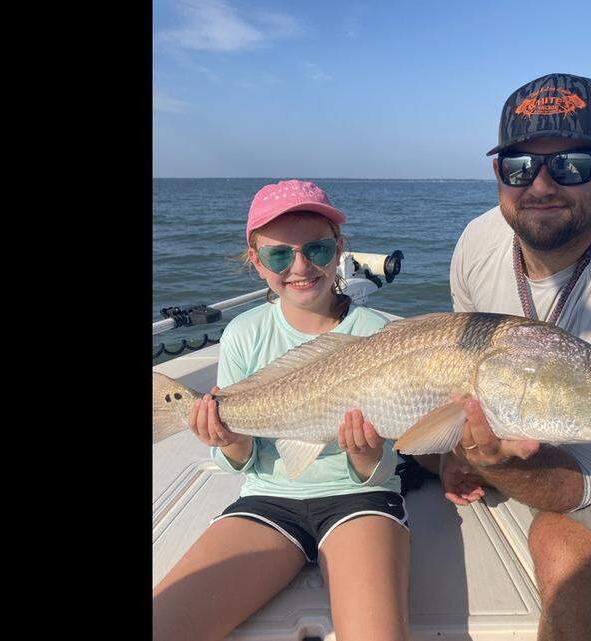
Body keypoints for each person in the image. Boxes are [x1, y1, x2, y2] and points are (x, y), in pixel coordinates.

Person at [152, 180, 409, 641]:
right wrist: (228, 439)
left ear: (339, 250)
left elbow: (391, 453)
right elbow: (240, 462)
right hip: (267, 500)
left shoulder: (383, 335)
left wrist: (366, 455)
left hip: (361, 501)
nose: (300, 266)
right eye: (278, 256)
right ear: (256, 262)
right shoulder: (243, 334)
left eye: (317, 249)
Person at [434, 73, 591, 641]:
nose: (540, 185)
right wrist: (459, 451)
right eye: (518, 167)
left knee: (561, 556)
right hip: (522, 411)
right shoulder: (477, 240)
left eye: (570, 163)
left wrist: (495, 464)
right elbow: (454, 358)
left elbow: (586, 479)